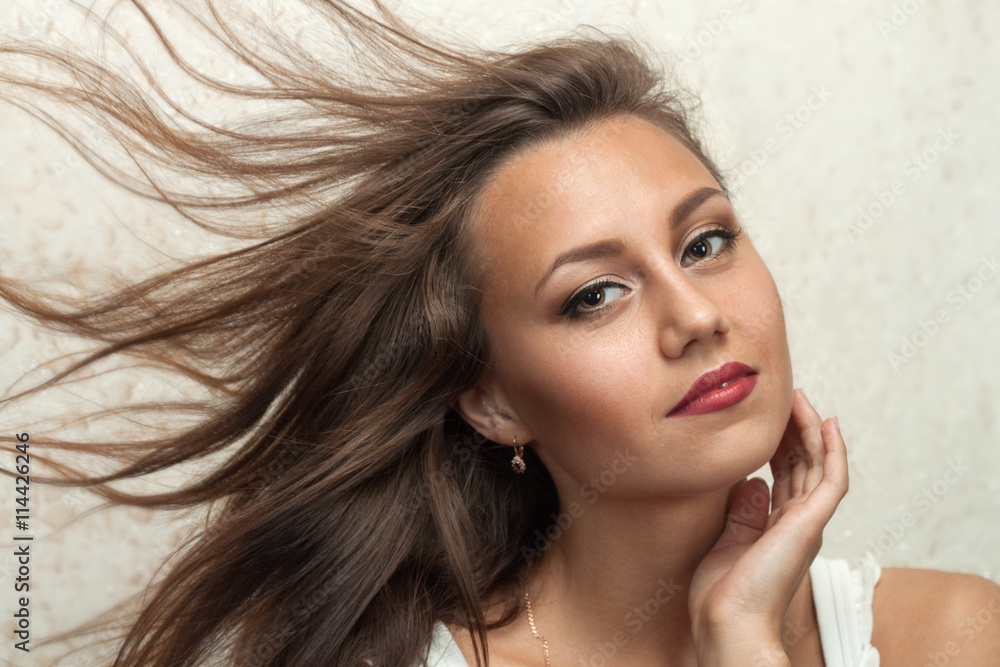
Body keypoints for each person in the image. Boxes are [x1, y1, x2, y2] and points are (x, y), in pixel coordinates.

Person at [0, 1, 997, 666]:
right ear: (492, 400)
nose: (697, 317)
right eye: (593, 295)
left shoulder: (951, 635)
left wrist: (743, 640)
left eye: (704, 243)